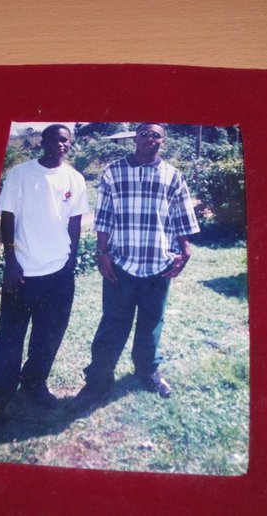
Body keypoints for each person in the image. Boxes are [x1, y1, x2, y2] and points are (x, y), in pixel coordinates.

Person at [0, 124, 89, 440]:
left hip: (59, 273)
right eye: (54, 139)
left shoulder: (75, 179)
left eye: (65, 140)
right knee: (9, 340)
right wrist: (11, 261)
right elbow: (7, 217)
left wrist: (70, 263)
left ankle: (34, 383)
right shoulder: (20, 174)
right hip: (22, 273)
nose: (60, 144)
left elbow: (74, 224)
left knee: (49, 336)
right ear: (42, 142)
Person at [71, 123, 200, 411]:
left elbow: (181, 215)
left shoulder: (172, 175)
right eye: (144, 133)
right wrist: (102, 252)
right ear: (135, 138)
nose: (149, 138)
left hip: (159, 263)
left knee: (152, 322)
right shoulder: (113, 171)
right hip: (121, 263)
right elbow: (104, 215)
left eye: (156, 135)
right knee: (112, 323)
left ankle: (147, 371)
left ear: (163, 141)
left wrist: (185, 249)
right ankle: (98, 381)